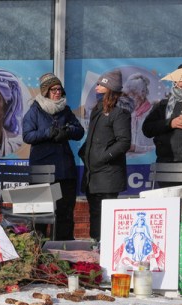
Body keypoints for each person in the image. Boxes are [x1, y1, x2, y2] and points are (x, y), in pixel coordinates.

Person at [21, 73, 85, 240]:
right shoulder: (34, 111)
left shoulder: (66, 110)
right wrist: (48, 132)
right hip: (42, 170)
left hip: (64, 170)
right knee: (40, 214)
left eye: (59, 89)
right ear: (45, 91)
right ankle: (38, 251)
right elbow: (27, 136)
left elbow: (79, 131)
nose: (58, 92)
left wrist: (67, 131)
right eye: (53, 89)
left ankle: (63, 250)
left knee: (64, 212)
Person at [78, 69, 132, 241]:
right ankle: (96, 248)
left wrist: (102, 157)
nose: (96, 87)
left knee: (105, 216)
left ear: (109, 88)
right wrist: (84, 153)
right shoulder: (98, 109)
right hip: (92, 174)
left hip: (108, 175)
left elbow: (123, 142)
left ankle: (106, 249)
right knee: (95, 213)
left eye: (101, 84)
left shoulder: (119, 112)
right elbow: (93, 138)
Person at [122, 73, 154, 154]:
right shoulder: (124, 113)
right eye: (127, 93)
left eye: (133, 92)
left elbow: (159, 146)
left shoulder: (153, 113)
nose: (129, 96)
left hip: (147, 162)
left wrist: (136, 148)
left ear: (142, 93)